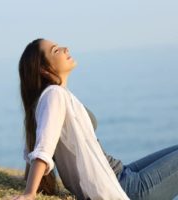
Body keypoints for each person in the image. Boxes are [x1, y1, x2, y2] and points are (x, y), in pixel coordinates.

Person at [10, 38, 178, 200]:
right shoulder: (54, 95)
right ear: (44, 70)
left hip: (119, 173)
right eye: (56, 50)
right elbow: (43, 147)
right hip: (126, 189)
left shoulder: (55, 96)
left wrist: (29, 180)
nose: (65, 48)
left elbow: (35, 144)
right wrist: (29, 193)